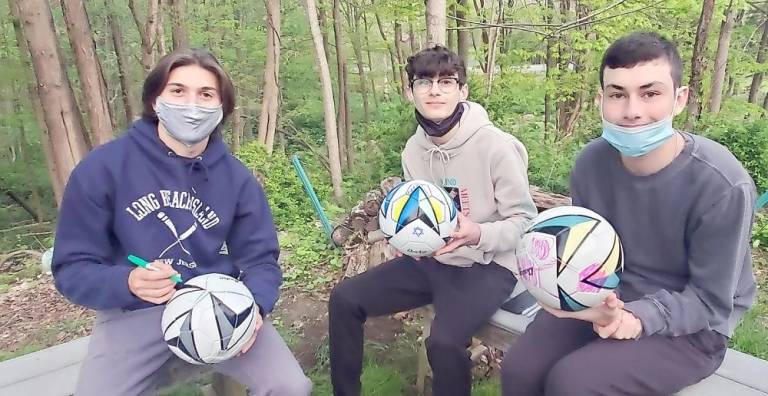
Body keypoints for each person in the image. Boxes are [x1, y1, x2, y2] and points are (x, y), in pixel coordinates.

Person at [501, 31, 757, 396]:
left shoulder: (721, 184)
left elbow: (711, 301)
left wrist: (636, 318)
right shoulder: (591, 164)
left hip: (693, 327)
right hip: (605, 296)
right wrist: (557, 285)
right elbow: (582, 248)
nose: (632, 110)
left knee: (573, 383)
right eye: (617, 94)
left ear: (679, 99)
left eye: (650, 93)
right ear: (600, 100)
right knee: (520, 369)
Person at [52, 49, 311, 396]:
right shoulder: (103, 168)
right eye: (177, 91)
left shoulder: (237, 179)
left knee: (291, 387)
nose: (192, 105)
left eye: (206, 94)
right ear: (154, 99)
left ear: (222, 107)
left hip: (219, 306)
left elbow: (261, 260)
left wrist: (255, 306)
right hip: (135, 311)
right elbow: (71, 267)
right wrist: (127, 281)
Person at [328, 45, 537, 396]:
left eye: (446, 81)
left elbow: (525, 222)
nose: (435, 90)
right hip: (433, 260)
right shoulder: (413, 150)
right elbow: (416, 211)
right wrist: (405, 238)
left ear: (463, 91)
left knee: (442, 343)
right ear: (410, 92)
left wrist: (477, 233)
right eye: (424, 82)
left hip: (488, 266)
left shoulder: (496, 147)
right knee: (345, 299)